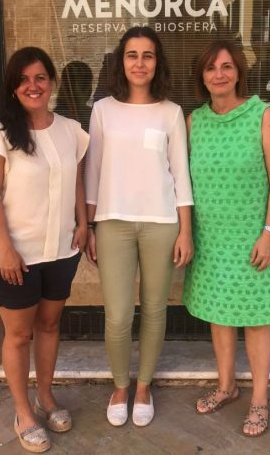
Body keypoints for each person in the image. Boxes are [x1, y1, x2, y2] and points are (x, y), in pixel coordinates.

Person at [0, 47, 89, 452]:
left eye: (40, 77)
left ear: (51, 82)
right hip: (16, 256)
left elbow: (76, 179)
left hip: (60, 251)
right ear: (13, 87)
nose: (33, 86)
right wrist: (5, 248)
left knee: (50, 326)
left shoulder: (70, 130)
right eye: (23, 80)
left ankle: (46, 396)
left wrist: (83, 224)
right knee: (19, 334)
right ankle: (23, 410)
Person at [85, 26, 194, 427]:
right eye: (132, 55)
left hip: (162, 223)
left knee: (153, 310)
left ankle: (144, 385)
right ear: (121, 61)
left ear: (157, 63)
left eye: (147, 55)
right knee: (116, 315)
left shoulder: (170, 112)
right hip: (112, 223)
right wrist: (91, 226)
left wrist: (185, 230)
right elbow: (92, 172)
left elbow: (180, 174)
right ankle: (120, 385)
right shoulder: (102, 110)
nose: (139, 63)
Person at [182, 40, 270, 437]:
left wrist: (268, 233)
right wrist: (187, 232)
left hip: (252, 238)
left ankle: (259, 398)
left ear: (238, 71)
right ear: (203, 76)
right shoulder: (194, 122)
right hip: (211, 239)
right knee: (219, 315)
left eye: (227, 66)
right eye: (211, 68)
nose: (219, 74)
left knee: (258, 320)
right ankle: (226, 386)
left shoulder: (262, 115)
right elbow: (182, 184)